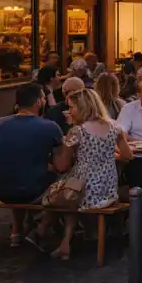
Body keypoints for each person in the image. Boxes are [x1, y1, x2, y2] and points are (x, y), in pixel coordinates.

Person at [44, 88, 133, 259]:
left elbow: (62, 166)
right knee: (71, 193)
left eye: (72, 107)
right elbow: (128, 155)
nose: (69, 112)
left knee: (64, 193)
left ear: (82, 107)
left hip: (84, 191)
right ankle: (65, 243)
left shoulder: (78, 131)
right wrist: (109, 155)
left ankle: (49, 233)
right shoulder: (114, 127)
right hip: (108, 190)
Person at [0, 84, 64, 247]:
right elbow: (61, 166)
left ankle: (16, 231)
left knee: (20, 170)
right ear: (38, 102)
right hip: (32, 189)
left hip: (1, 187)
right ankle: (42, 228)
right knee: (65, 184)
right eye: (44, 98)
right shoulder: (50, 127)